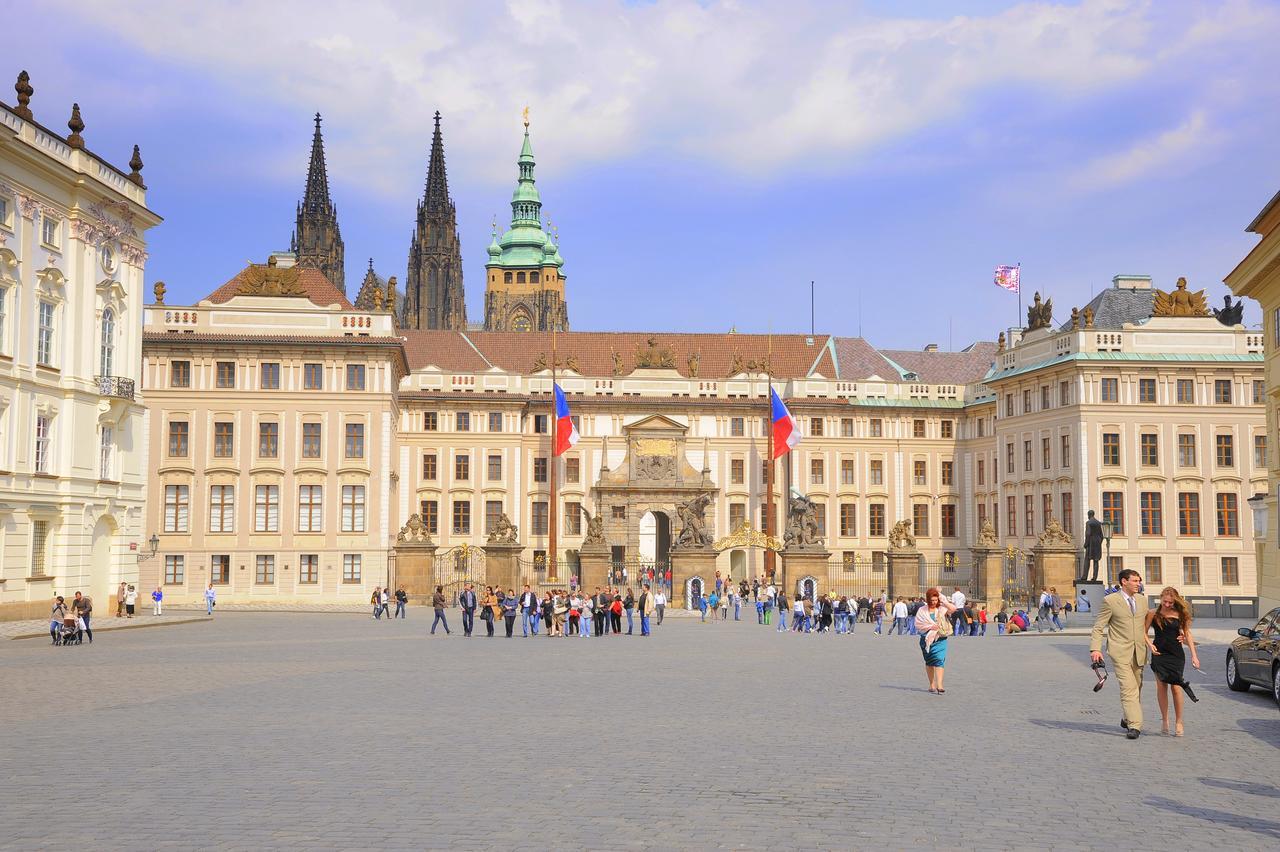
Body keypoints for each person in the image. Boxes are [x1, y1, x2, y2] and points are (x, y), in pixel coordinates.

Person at [1090, 568, 1149, 740]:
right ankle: (1135, 725)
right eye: (1135, 581)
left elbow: (1148, 623)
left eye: (1139, 581)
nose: (1138, 584)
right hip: (1120, 651)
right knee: (1128, 688)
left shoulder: (1142, 601)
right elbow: (1099, 626)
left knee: (1137, 687)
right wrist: (1095, 649)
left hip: (1139, 652)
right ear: (1124, 581)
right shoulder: (1110, 601)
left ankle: (1126, 718)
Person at [1144, 587, 1200, 736]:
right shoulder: (1152, 613)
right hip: (1159, 653)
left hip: (1176, 654)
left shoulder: (1180, 614)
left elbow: (1187, 634)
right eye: (1165, 601)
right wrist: (1150, 645)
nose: (1167, 604)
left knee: (1176, 687)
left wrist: (1194, 655)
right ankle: (1164, 720)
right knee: (1161, 686)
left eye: (1170, 602)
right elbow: (1142, 632)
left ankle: (1179, 721)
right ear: (1160, 598)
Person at [915, 587, 958, 693]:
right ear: (928, 600)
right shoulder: (922, 610)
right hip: (926, 639)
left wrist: (943, 600)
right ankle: (931, 684)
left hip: (940, 639)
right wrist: (930, 627)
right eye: (932, 600)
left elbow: (953, 609)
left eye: (936, 600)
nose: (934, 602)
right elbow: (918, 624)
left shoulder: (941, 608)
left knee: (939, 660)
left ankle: (940, 685)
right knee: (929, 662)